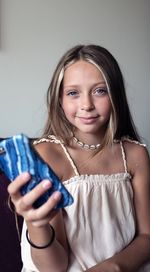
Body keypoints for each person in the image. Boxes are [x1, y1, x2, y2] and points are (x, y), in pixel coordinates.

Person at [8, 44, 150, 272]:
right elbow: (54, 267)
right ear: (59, 99)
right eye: (73, 93)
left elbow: (147, 236)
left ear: (116, 94)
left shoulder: (134, 154)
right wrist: (37, 224)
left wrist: (113, 267)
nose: (86, 105)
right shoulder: (46, 155)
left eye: (100, 91)